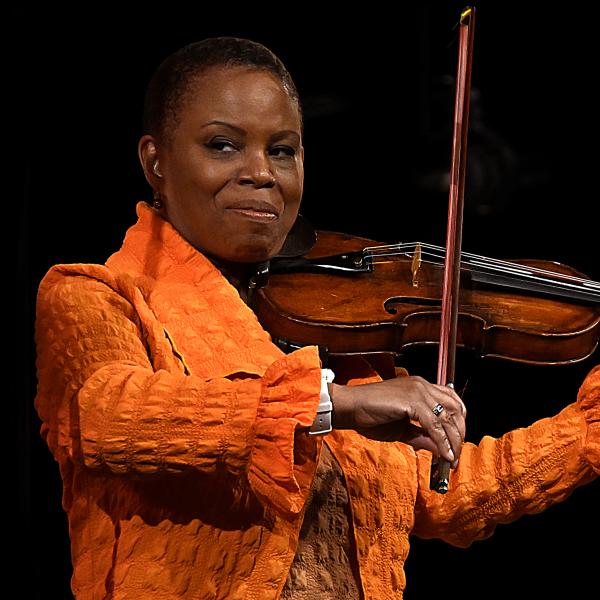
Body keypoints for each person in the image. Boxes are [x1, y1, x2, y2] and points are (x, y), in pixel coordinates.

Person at [34, 36, 599, 600]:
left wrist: (588, 428)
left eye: (283, 150)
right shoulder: (95, 295)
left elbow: (439, 497)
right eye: (224, 146)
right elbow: (109, 417)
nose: (261, 173)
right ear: (155, 160)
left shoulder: (332, 329)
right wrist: (336, 405)